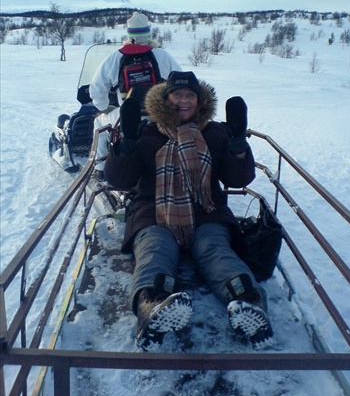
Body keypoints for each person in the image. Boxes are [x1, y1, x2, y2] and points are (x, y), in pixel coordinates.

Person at [104, 71, 277, 352]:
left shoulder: (215, 133)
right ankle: (152, 307)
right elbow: (118, 181)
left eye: (190, 95)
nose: (184, 100)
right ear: (166, 98)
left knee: (216, 249)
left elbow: (237, 180)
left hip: (206, 212)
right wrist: (126, 147)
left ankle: (250, 304)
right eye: (177, 94)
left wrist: (238, 149)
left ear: (199, 101)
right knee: (155, 249)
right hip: (154, 212)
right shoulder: (146, 133)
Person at [89, 12, 182, 177]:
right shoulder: (163, 56)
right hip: (161, 115)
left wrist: (103, 107)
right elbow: (181, 83)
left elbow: (96, 89)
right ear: (149, 33)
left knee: (99, 124)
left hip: (127, 116)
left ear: (129, 34)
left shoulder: (115, 58)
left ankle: (100, 169)